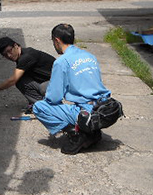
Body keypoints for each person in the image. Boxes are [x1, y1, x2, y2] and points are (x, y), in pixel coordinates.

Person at [33, 23, 111, 155]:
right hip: (105, 108)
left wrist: (47, 92)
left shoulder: (62, 62)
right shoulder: (90, 56)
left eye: (53, 42)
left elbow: (54, 97)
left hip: (85, 111)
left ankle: (77, 134)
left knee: (39, 107)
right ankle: (91, 130)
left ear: (57, 40)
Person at [0, 37, 56, 112]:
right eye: (5, 55)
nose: (9, 55)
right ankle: (40, 103)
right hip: (50, 80)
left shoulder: (26, 56)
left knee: (42, 87)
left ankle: (50, 107)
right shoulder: (22, 55)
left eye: (10, 51)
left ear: (16, 46)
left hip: (60, 82)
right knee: (21, 80)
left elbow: (12, 80)